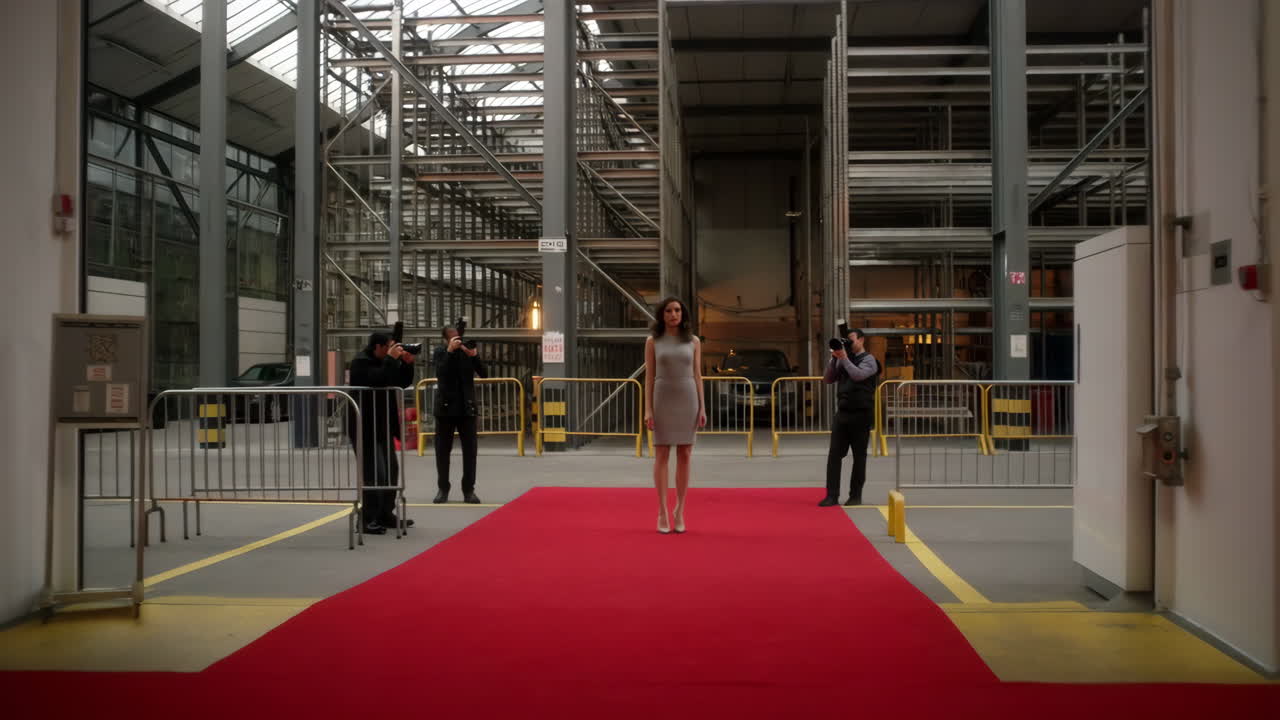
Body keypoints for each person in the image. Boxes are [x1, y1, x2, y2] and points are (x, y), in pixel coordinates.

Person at [644, 297, 705, 534]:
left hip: (688, 398)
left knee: (685, 454)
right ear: (662, 314)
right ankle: (662, 511)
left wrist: (702, 407)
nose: (673, 314)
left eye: (677, 310)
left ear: (683, 313)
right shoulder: (653, 341)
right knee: (661, 454)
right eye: (669, 310)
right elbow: (649, 377)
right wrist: (648, 409)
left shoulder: (694, 341)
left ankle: (680, 510)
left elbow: (697, 374)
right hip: (662, 398)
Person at [348, 331, 417, 535]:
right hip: (364, 426)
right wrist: (391, 360)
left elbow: (401, 382)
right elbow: (376, 379)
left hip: (382, 425)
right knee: (374, 473)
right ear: (378, 346)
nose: (391, 350)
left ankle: (385, 513)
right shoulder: (360, 362)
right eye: (388, 347)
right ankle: (366, 519)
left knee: (391, 470)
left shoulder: (386, 361)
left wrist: (407, 364)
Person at [819, 327, 880, 507]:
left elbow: (858, 375)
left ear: (861, 340)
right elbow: (828, 379)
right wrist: (834, 359)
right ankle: (832, 495)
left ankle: (855, 496)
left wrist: (844, 358)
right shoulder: (842, 359)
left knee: (859, 457)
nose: (849, 344)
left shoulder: (869, 360)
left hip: (861, 414)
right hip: (843, 413)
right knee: (834, 455)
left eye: (851, 340)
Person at [432, 325, 487, 504]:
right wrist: (449, 352)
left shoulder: (466, 352)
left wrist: (474, 356)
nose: (457, 341)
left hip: (467, 408)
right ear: (446, 340)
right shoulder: (440, 352)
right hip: (445, 409)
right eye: (453, 338)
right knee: (442, 451)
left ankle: (469, 490)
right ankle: (443, 488)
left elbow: (484, 374)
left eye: (458, 338)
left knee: (470, 452)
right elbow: (441, 373)